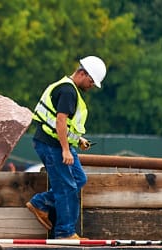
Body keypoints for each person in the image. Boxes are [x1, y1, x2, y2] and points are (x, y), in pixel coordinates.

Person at [25, 56, 106, 240]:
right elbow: (60, 121)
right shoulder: (68, 91)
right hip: (52, 145)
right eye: (91, 80)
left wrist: (78, 141)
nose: (92, 85)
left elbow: (62, 124)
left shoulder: (68, 88)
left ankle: (41, 203)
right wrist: (66, 150)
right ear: (82, 73)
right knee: (67, 187)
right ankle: (65, 232)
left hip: (54, 142)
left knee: (79, 179)